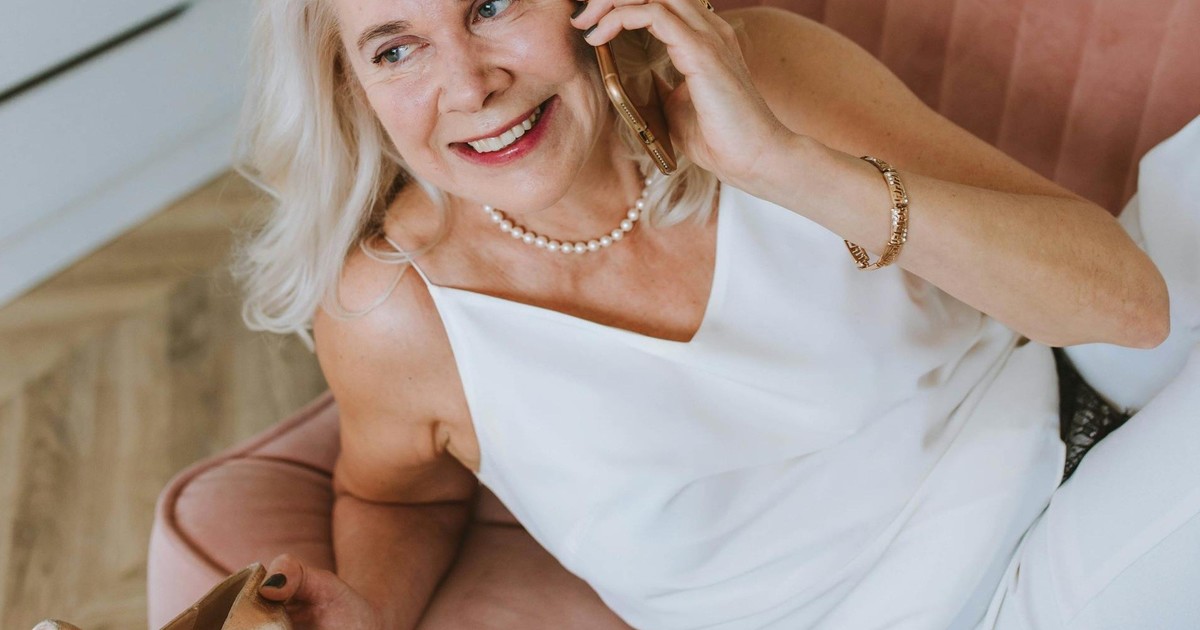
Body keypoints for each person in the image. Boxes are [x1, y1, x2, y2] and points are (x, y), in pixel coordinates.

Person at [226, 0, 1193, 627]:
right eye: (397, 50)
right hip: (983, 604)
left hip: (1070, 389)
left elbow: (1129, 303)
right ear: (353, 90)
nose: (471, 85)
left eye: (493, 5)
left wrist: (781, 163)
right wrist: (369, 614)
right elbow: (397, 495)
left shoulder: (753, 70)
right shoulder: (392, 312)